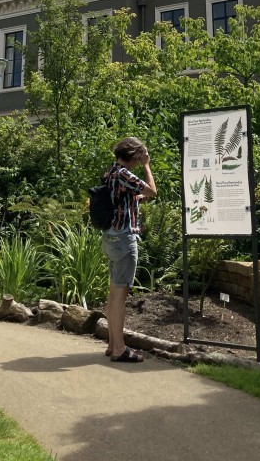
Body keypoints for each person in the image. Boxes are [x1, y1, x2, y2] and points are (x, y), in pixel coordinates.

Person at [101, 136, 157, 363]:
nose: (140, 160)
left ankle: (112, 345)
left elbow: (122, 200)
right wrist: (147, 166)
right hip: (124, 239)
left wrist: (137, 199)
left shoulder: (111, 173)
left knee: (114, 293)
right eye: (139, 157)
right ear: (133, 156)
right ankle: (119, 349)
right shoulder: (125, 173)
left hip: (111, 237)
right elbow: (153, 190)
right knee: (120, 295)